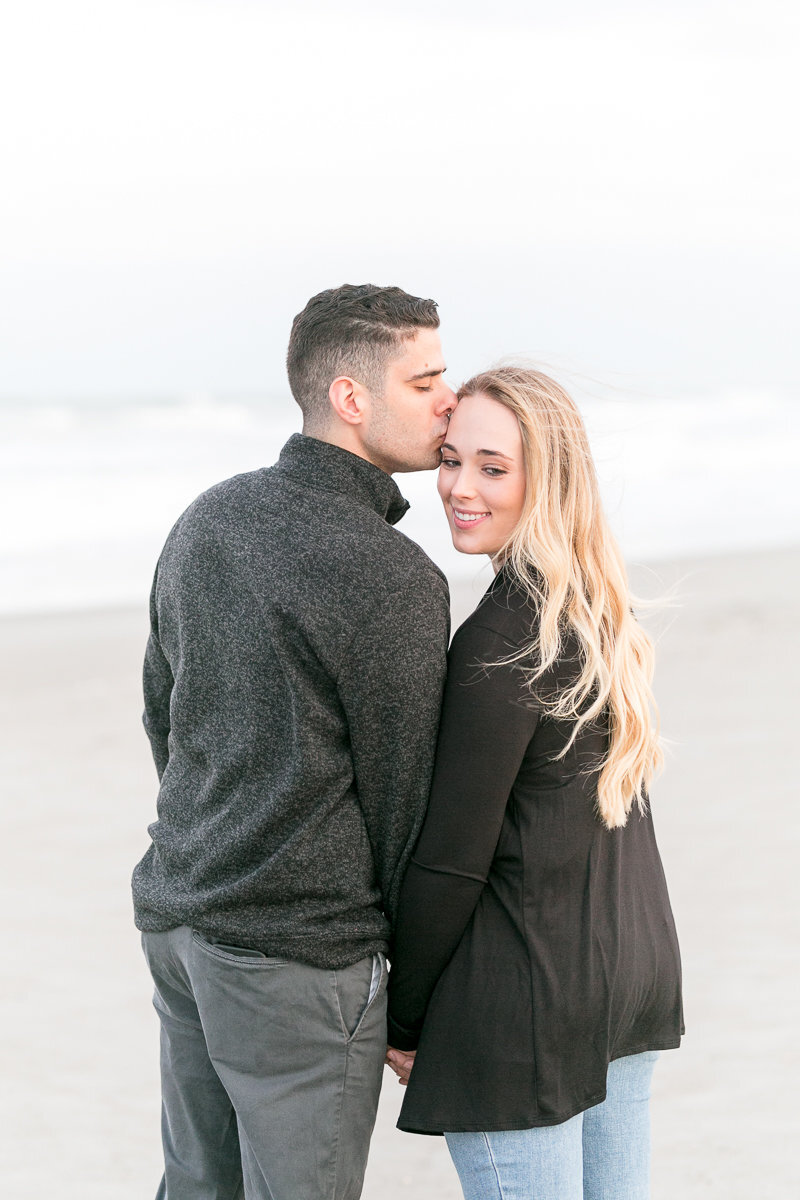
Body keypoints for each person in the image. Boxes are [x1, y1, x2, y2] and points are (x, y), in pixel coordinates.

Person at [131, 283, 457, 1200]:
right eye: (426, 379)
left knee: (197, 1187)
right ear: (352, 399)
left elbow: (164, 711)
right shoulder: (390, 574)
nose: (449, 400)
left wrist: (215, 843)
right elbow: (405, 806)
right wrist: (415, 997)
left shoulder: (210, 515)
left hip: (182, 920)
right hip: (296, 959)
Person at [385, 367, 684, 1200]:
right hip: (625, 973)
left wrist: (402, 1015)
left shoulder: (500, 642)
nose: (459, 489)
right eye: (450, 460)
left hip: (524, 1003)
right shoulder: (592, 608)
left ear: (545, 479)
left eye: (492, 467)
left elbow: (452, 859)